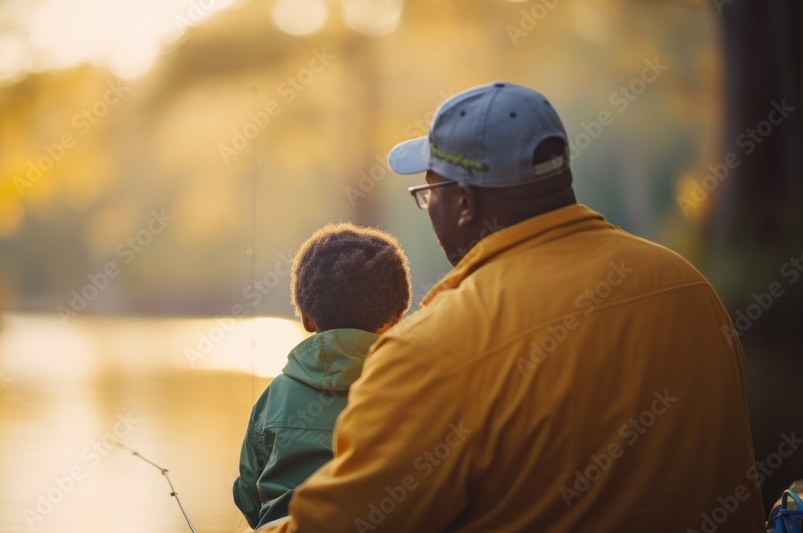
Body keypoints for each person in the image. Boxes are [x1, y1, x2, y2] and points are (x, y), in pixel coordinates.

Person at [259, 82, 765, 532]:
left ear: (463, 202)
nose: (428, 206)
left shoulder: (430, 350)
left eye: (429, 191)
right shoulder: (687, 286)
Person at [233, 222, 412, 529]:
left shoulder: (273, 397)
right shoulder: (416, 392)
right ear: (397, 316)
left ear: (306, 318)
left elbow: (249, 496)